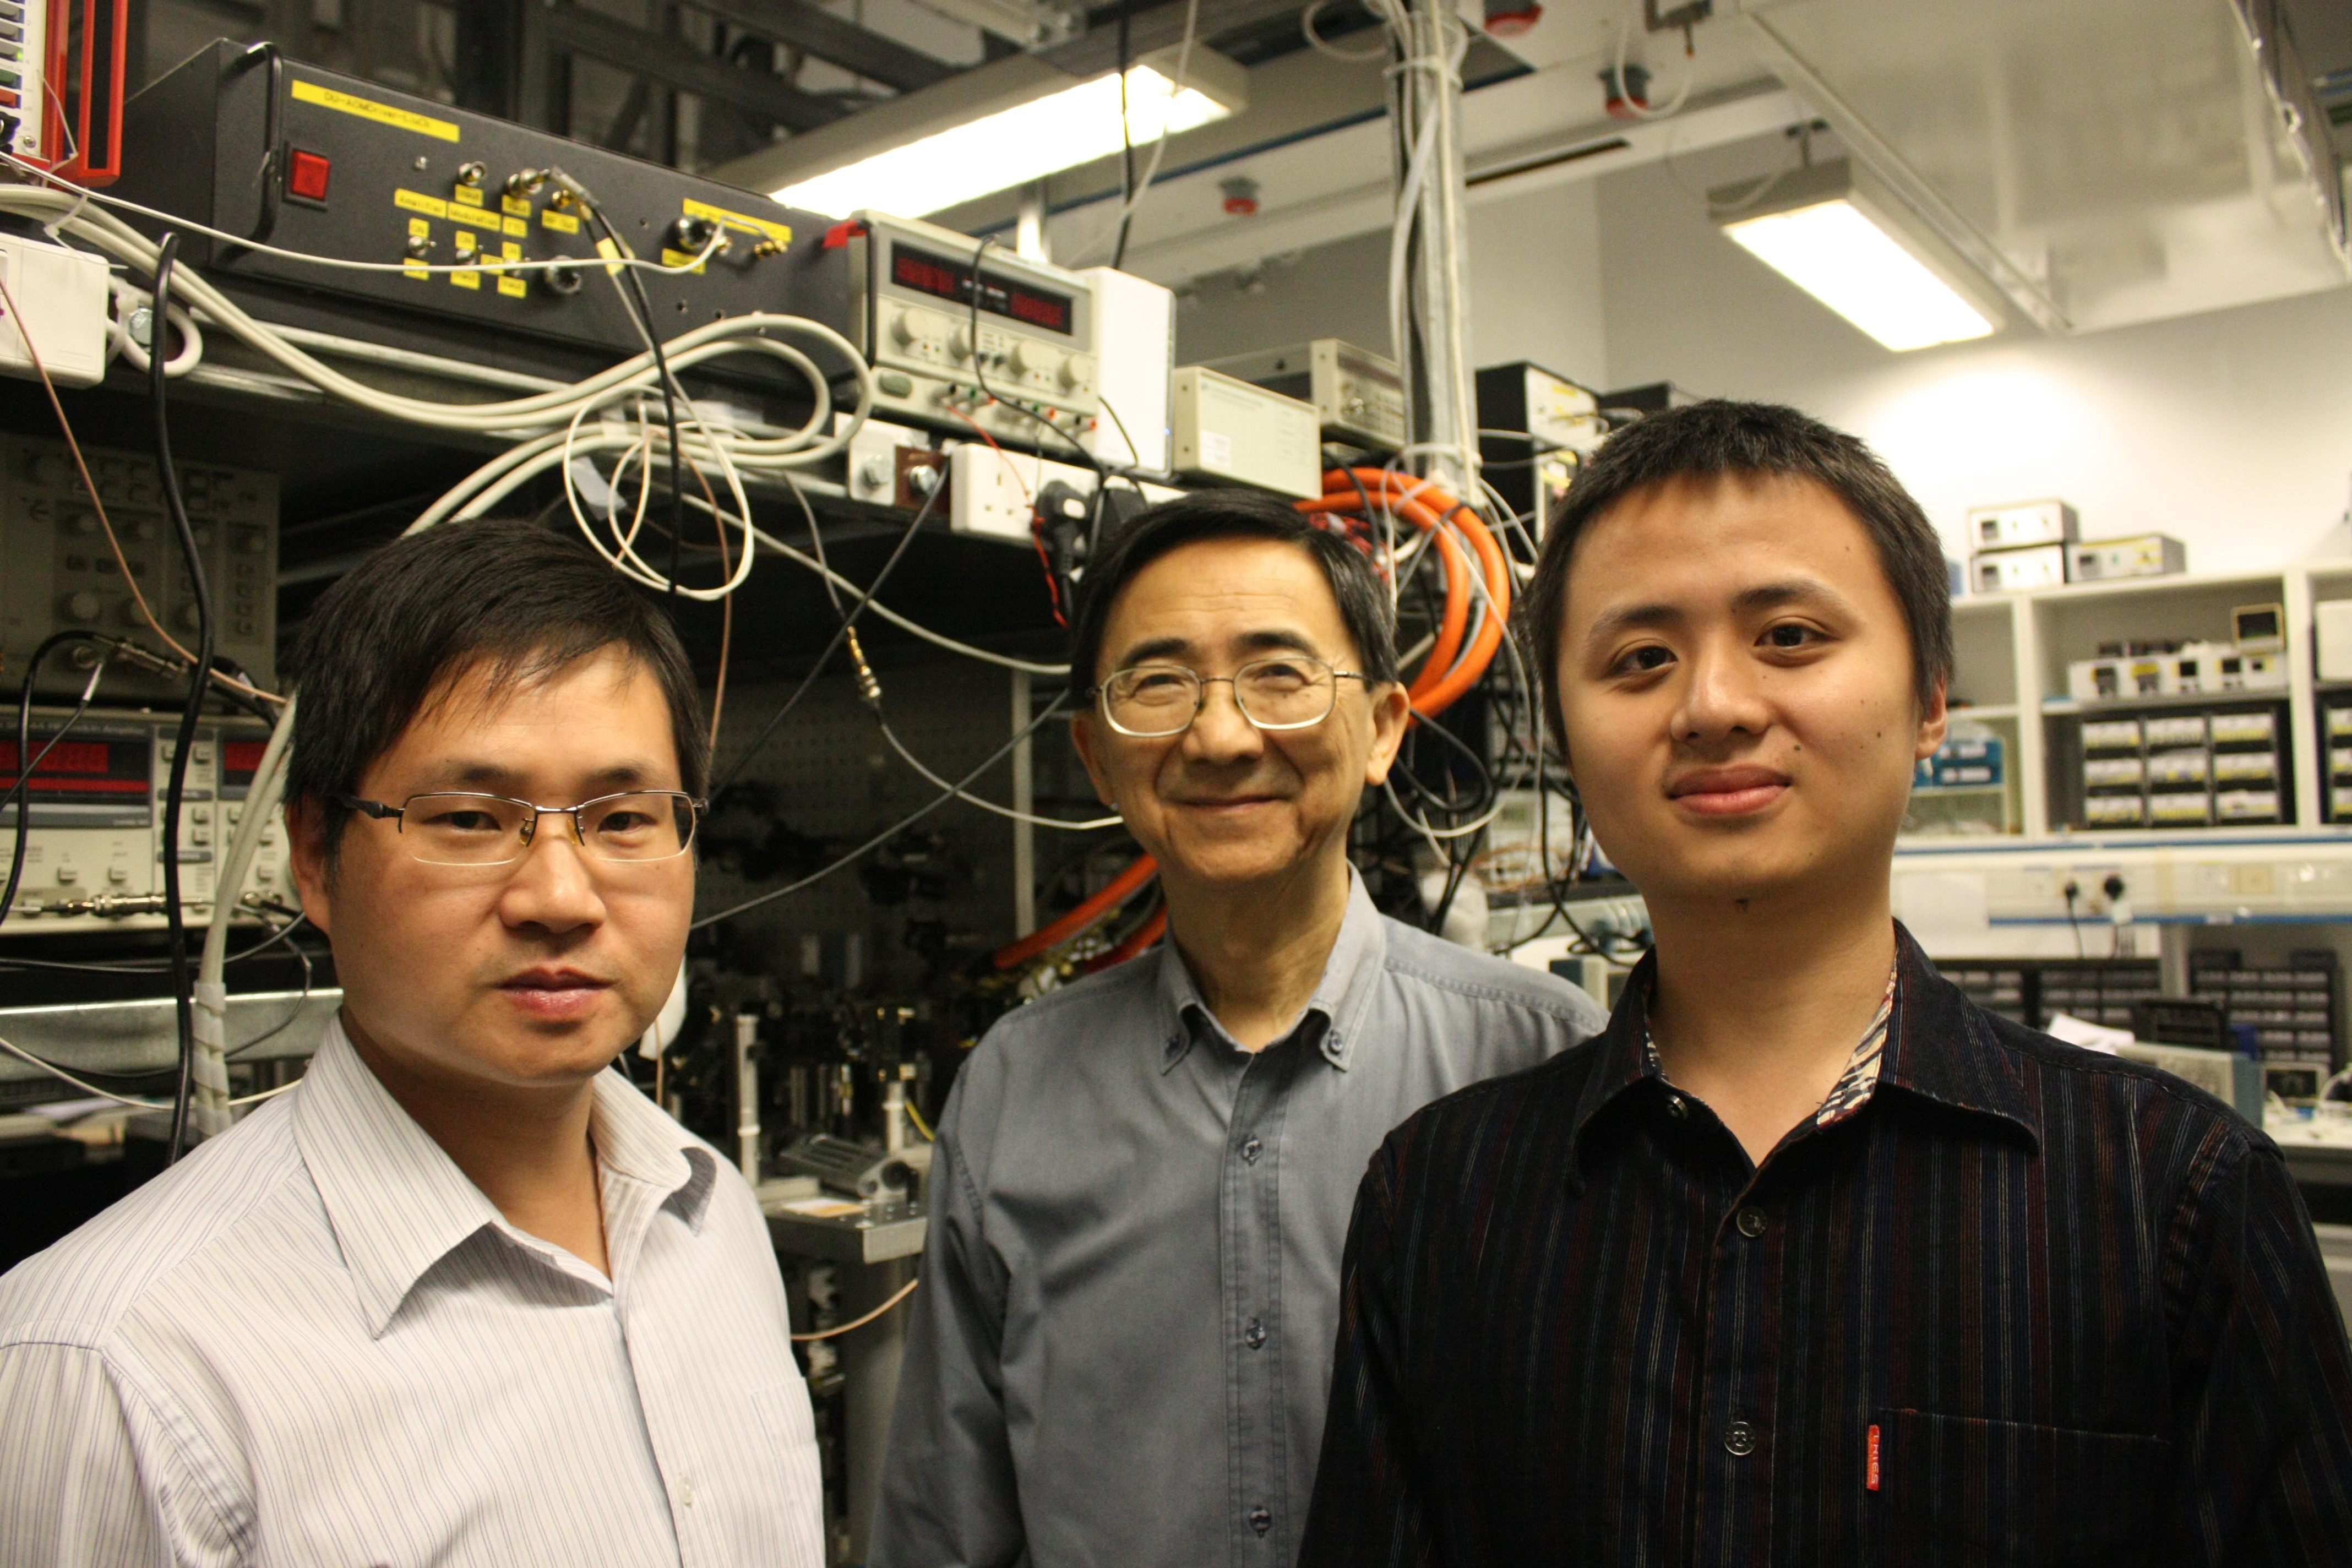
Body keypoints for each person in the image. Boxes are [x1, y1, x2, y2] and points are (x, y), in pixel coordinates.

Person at [1299, 400, 2352, 1565]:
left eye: (1791, 636)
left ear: (1931, 698)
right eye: (1641, 658)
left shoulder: (2176, 1197)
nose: (1715, 705)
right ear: (1562, 734)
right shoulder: (1441, 1199)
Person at [0, 518, 825, 1566]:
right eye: (470, 820)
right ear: (314, 856)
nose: (561, 897)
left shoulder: (713, 1220)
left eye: (623, 820)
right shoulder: (111, 1371)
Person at [872, 489, 1608, 1568]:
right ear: (1095, 755)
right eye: (1160, 683)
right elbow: (945, 1522)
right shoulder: (1014, 1089)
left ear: (1383, 730)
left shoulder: (1541, 1060)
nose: (1220, 735)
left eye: (1279, 673)